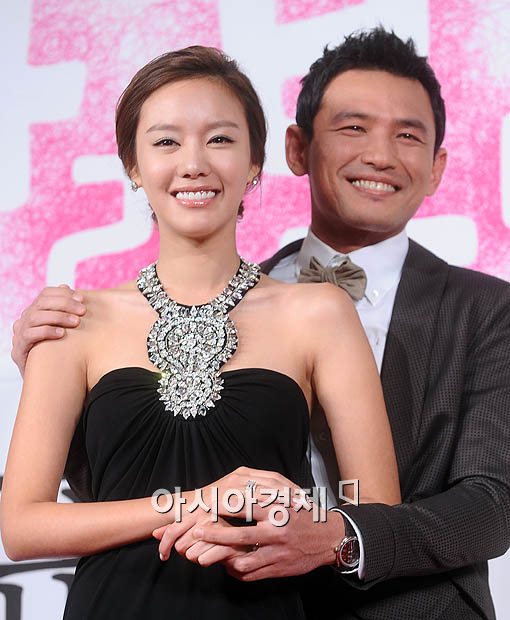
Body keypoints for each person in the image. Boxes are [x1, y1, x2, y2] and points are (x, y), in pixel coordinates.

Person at [12, 28, 510, 619]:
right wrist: (50, 385)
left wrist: (329, 531)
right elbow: (72, 501)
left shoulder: (444, 310)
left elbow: (479, 502)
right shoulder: (74, 319)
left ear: (254, 162)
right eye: (353, 127)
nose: (193, 163)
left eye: (407, 135)